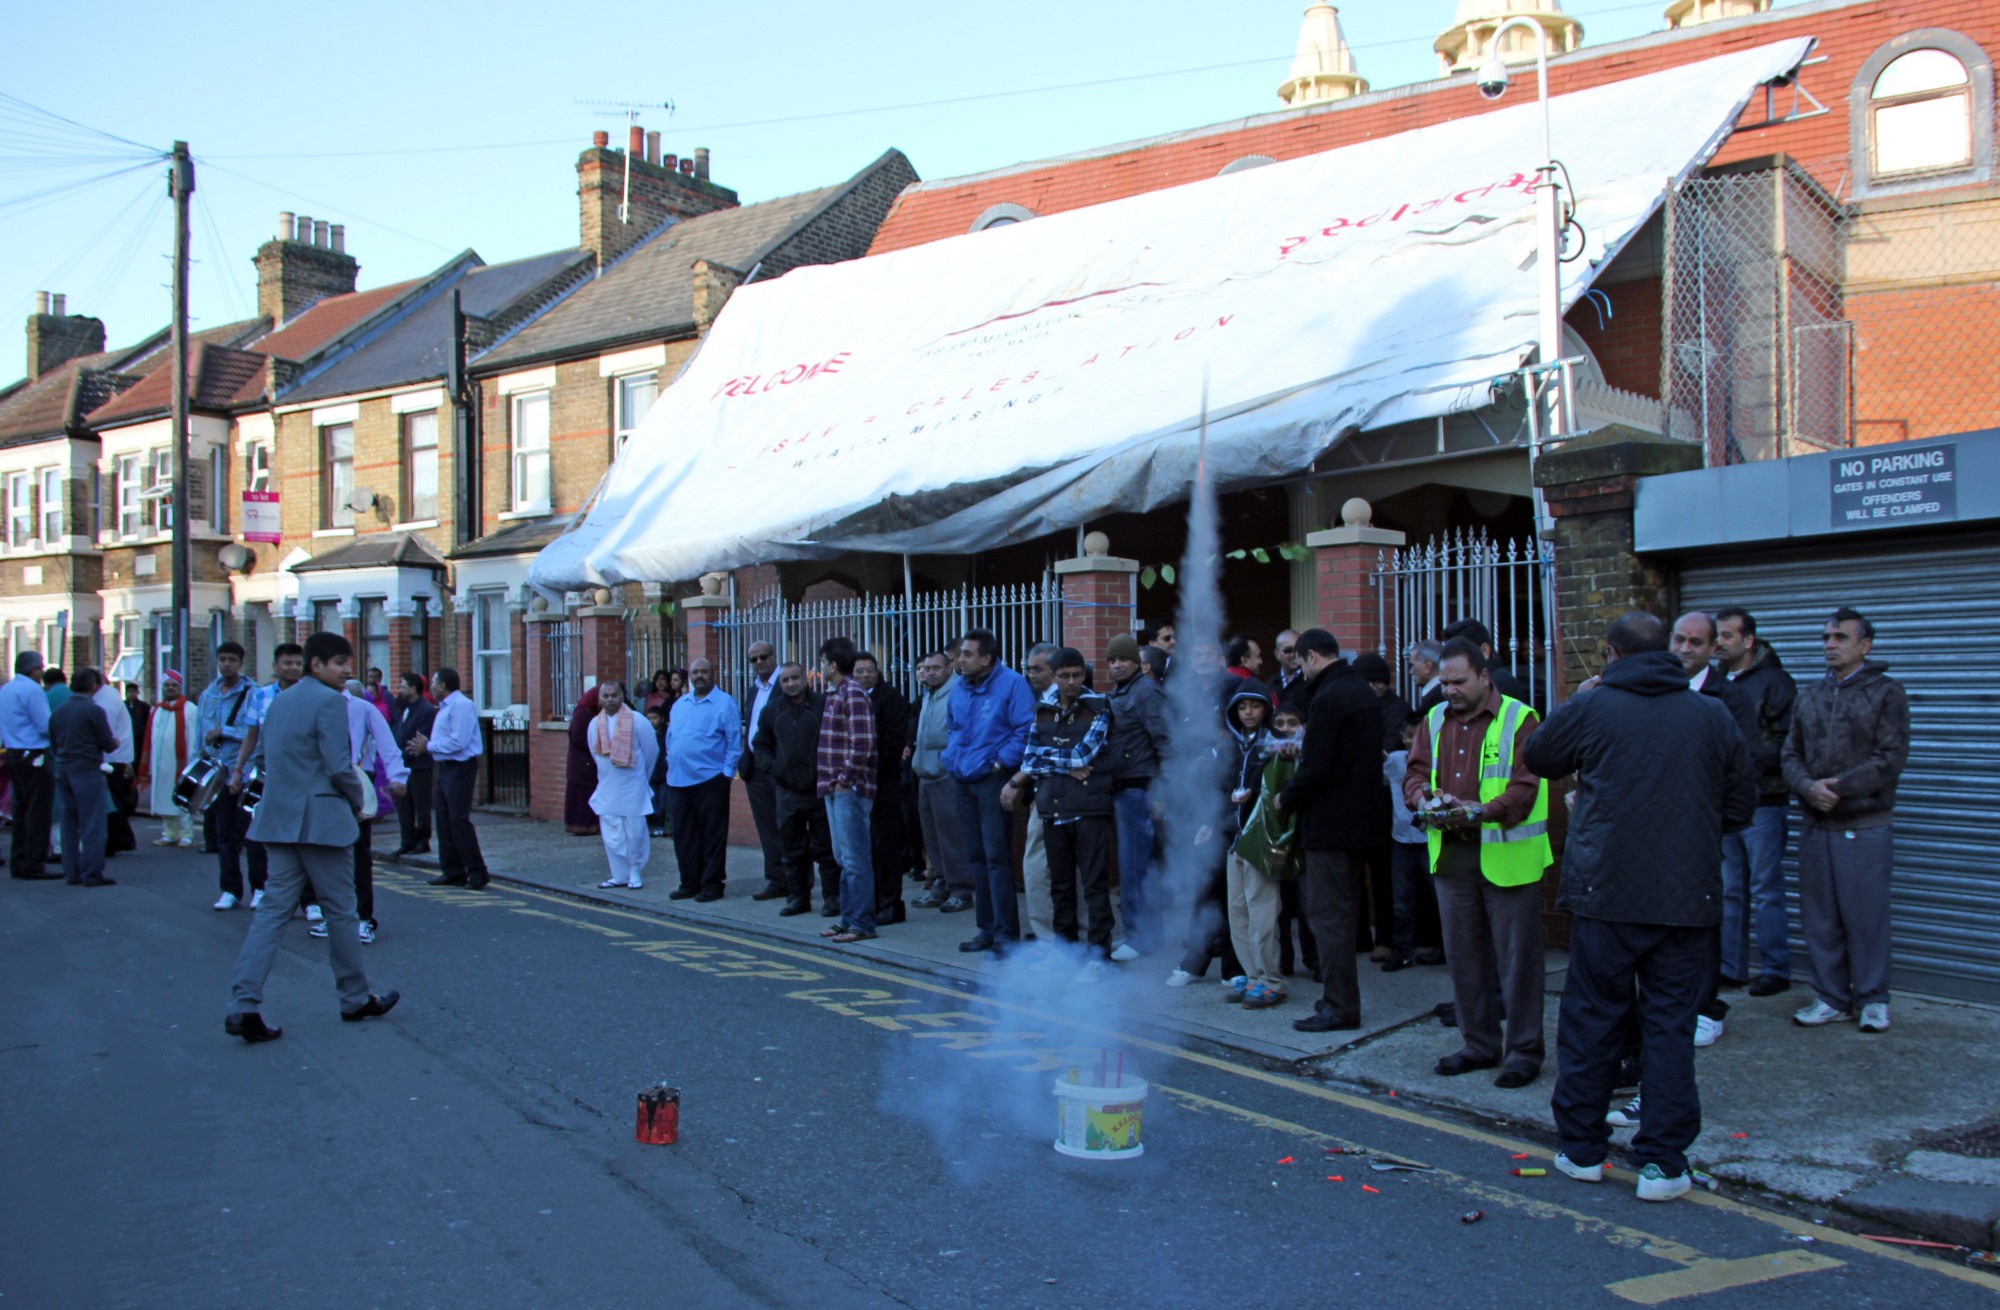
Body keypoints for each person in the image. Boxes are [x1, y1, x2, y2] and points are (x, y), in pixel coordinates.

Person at [1526, 612, 1756, 1203]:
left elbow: (1543, 756)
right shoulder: (1711, 714)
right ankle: (1663, 1163)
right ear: (1671, 653)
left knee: (1592, 1019)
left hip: (1607, 895)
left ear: (1611, 654)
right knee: (1670, 1027)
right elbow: (1741, 804)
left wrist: (1582, 698)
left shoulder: (1595, 705)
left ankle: (1582, 1149)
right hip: (1686, 900)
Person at [224, 631, 399, 1044]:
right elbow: (340, 767)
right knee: (342, 910)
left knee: (271, 914)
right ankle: (354, 997)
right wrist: (362, 800)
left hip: (279, 818)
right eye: (339, 663)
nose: (346, 671)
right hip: (322, 820)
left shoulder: (279, 701)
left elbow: (264, 758)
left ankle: (243, 1004)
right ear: (315, 665)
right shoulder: (329, 702)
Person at [1404, 638, 1552, 1088]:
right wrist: (1421, 798)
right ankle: (1479, 1045)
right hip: (1452, 855)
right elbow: (1414, 772)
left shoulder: (1521, 718)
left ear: (1484, 677)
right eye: (1444, 682)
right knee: (1464, 958)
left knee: (1517, 961)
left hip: (1506, 855)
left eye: (1458, 682)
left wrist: (1478, 811)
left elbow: (1525, 788)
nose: (1448, 690)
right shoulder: (1433, 719)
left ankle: (1524, 1052)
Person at [1783, 607, 1909, 1035]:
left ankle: (1872, 998)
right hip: (1816, 823)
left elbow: (1890, 758)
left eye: (1839, 637)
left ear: (1864, 646)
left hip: (1866, 821)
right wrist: (1806, 787)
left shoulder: (1886, 693)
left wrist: (1838, 786)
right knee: (1820, 916)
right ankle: (1831, 997)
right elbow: (1789, 754)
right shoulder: (1810, 695)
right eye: (1825, 638)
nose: (1829, 645)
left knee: (1866, 915)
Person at [1274, 629, 1386, 1034]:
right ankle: (1337, 1000)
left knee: (1329, 917)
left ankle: (1339, 1006)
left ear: (1311, 657)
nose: (1299, 670)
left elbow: (1318, 767)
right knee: (1344, 912)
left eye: (1300, 662)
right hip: (1361, 823)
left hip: (1330, 826)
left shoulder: (1328, 697)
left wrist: (1286, 796)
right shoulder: (1359, 690)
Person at [1671, 611, 1762, 1047]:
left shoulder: (1728, 697)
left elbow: (1742, 770)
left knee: (1705, 918)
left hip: (1705, 830)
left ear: (1712, 649)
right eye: (1679, 640)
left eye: (1695, 642)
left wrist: (1715, 821)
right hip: (1663, 828)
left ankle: (1708, 1006)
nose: (1685, 649)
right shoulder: (1660, 691)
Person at [1007, 647, 1115, 978]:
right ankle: (1065, 950)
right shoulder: (1042, 711)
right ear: (1055, 677)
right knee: (1061, 886)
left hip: (1089, 808)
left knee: (1095, 886)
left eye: (1077, 675)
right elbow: (1028, 762)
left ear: (1084, 675)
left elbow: (1085, 754)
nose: (1071, 682)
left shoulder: (1098, 707)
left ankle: (1099, 956)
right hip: (1054, 807)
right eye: (1064, 676)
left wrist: (1054, 762)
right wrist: (1067, 769)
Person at [1714, 606, 1798, 997]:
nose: (1719, 642)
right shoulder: (1712, 682)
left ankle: (1775, 969)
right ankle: (1732, 968)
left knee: (1766, 887)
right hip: (1726, 801)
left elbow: (1789, 743)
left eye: (1727, 635)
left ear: (1749, 640)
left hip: (1765, 800)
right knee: (1730, 887)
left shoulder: (1776, 682)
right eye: (1717, 635)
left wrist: (1744, 761)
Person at [945, 629, 1036, 957]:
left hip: (992, 781)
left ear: (987, 658)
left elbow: (1026, 730)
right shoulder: (959, 685)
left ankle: (1005, 935)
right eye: (961, 654)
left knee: (997, 859)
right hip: (963, 779)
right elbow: (953, 726)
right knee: (976, 858)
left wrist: (1000, 764)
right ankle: (985, 929)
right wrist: (952, 759)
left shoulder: (1012, 684)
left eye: (968, 654)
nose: (961, 660)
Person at [317, 679, 408, 944]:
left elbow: (386, 743)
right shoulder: (313, 706)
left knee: (358, 853)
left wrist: (398, 776)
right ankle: (333, 916)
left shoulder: (362, 708)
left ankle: (363, 918)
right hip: (321, 785)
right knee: (325, 854)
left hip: (356, 781)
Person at [1221, 689, 1294, 1008]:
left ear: (1266, 709)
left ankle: (1271, 980)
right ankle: (1251, 975)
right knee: (1237, 910)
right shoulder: (1232, 743)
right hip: (1234, 837)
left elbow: (1287, 780)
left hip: (1261, 838)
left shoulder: (1276, 742)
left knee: (1262, 911)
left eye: (1255, 706)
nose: (1248, 712)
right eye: (1242, 707)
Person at [1103, 633, 1171, 959]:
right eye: (1112, 660)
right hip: (1123, 789)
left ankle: (1140, 938)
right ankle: (1142, 935)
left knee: (1135, 868)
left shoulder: (1146, 693)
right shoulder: (1121, 692)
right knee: (1132, 867)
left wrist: (1162, 792)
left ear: (1137, 664)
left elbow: (1167, 744)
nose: (1117, 665)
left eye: (1123, 660)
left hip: (1139, 790)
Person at [225, 644, 305, 913]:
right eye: (287, 663)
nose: (293, 667)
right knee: (258, 831)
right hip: (264, 774)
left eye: (297, 663)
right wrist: (238, 770)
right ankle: (260, 888)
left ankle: (309, 899)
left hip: (299, 777)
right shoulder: (260, 696)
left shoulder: (312, 695)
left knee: (301, 837)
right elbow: (251, 736)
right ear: (275, 666)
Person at [816, 637, 878, 944]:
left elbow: (862, 741)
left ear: (832, 665)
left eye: (822, 662)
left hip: (848, 788)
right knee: (843, 858)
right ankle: (847, 918)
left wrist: (845, 779)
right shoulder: (835, 693)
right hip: (833, 786)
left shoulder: (852, 692)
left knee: (855, 859)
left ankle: (863, 922)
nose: (820, 667)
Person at [663, 658, 740, 903]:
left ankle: (712, 884)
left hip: (710, 780)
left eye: (704, 672)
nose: (699, 676)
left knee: (712, 836)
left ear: (712, 674)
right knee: (684, 836)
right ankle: (689, 882)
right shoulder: (679, 704)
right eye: (695, 672)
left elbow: (734, 742)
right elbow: (670, 738)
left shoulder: (724, 703)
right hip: (678, 781)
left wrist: (725, 775)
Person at [411, 667, 487, 891]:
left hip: (460, 768)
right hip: (444, 768)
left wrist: (429, 746)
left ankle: (477, 872)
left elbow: (459, 742)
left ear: (443, 685)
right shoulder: (445, 707)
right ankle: (452, 871)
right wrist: (429, 745)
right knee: (443, 821)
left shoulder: (461, 705)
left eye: (434, 683)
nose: (432, 687)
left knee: (458, 820)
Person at [909, 649, 971, 913]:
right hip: (925, 775)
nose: (930, 672)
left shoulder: (957, 692)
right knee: (932, 837)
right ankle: (941, 883)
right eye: (925, 667)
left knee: (951, 837)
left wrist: (949, 763)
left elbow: (963, 732)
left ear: (949, 669)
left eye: (936, 668)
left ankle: (961, 889)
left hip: (946, 775)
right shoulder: (928, 694)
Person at [1008, 643, 1061, 947]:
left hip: (1051, 793)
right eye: (1028, 668)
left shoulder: (1054, 704)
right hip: (1047, 792)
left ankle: (1047, 936)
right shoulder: (1046, 701)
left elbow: (1039, 754)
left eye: (1037, 668)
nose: (1030, 674)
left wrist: (1015, 781)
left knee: (1037, 865)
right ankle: (1058, 934)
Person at [854, 652, 912, 926]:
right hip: (856, 784)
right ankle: (871, 901)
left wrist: (871, 768)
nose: (865, 675)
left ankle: (891, 903)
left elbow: (893, 742)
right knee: (864, 846)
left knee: (886, 844)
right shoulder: (850, 698)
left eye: (870, 670)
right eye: (860, 671)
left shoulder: (891, 699)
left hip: (883, 782)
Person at [588, 679, 658, 890]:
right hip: (608, 786)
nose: (610, 700)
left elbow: (651, 752)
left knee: (634, 830)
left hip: (632, 786)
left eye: (614, 695)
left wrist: (641, 778)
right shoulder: (593, 724)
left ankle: (635, 871)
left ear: (622, 696)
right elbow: (595, 754)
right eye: (606, 696)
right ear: (600, 699)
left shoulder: (638, 721)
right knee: (611, 831)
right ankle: (618, 875)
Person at [51, 667, 117, 887]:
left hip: (63, 768)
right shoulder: (94, 710)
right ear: (92, 685)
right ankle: (92, 872)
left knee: (69, 821)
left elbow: (53, 741)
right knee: (92, 823)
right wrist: (114, 742)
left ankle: (72, 872)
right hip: (87, 768)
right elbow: (107, 743)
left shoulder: (59, 711)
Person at [739, 642, 788, 903]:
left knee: (787, 825)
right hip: (756, 768)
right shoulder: (753, 690)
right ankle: (776, 879)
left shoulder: (784, 684)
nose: (759, 663)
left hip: (778, 767)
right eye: (753, 659)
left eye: (763, 657)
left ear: (773, 657)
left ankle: (795, 880)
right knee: (767, 828)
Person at [2, 649, 56, 878]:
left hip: (14, 752)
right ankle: (34, 863)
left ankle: (19, 860)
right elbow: (45, 725)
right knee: (38, 811)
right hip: (34, 752)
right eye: (41, 667)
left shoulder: (6, 689)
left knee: (21, 808)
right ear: (35, 669)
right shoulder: (32, 690)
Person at [140, 672, 197, 846]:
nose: (170, 688)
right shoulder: (157, 710)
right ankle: (169, 832)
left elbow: (194, 736)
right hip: (160, 763)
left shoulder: (190, 709)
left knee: (182, 797)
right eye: (167, 685)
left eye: (174, 685)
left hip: (181, 763)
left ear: (180, 688)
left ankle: (186, 833)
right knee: (164, 796)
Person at [389, 672, 436, 856]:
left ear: (414, 688)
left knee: (420, 805)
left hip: (418, 766)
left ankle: (422, 841)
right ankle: (406, 841)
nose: (400, 690)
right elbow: (396, 732)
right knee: (404, 806)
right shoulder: (404, 708)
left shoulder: (425, 709)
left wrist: (401, 759)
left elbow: (419, 740)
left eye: (403, 686)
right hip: (402, 766)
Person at [91, 670, 137, 856]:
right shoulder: (106, 696)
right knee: (114, 798)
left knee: (112, 799)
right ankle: (121, 839)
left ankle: (117, 840)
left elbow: (104, 729)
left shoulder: (106, 700)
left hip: (112, 756)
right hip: (114, 754)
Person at [1441, 618, 1533, 704]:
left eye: (1458, 654)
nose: (1451, 691)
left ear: (1484, 651)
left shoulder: (1496, 684)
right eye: (1448, 654)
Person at [563, 685, 603, 836]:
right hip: (582, 761)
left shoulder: (591, 713)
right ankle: (583, 825)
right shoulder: (582, 713)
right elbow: (578, 737)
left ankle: (589, 824)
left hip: (586, 761)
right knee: (582, 795)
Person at [1272, 630, 1310, 720]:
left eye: (1297, 649)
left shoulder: (1312, 682)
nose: (1293, 654)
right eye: (1288, 650)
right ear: (1277, 654)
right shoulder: (1270, 684)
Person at [1407, 640, 1443, 712]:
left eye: (1413, 665)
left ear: (1427, 666)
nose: (1410, 672)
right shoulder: (1440, 693)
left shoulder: (1437, 697)